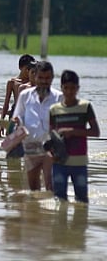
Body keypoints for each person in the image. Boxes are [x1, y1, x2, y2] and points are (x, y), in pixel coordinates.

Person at [48, 70, 100, 203]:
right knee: (59, 201)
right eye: (66, 88)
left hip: (79, 162)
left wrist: (72, 131)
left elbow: (95, 132)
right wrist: (50, 152)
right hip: (59, 162)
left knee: (82, 201)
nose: (69, 92)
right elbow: (50, 135)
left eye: (73, 88)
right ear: (61, 88)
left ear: (78, 88)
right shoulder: (54, 110)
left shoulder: (85, 107)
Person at [12, 61, 62, 191]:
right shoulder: (25, 95)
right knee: (33, 186)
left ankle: (51, 207)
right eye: (41, 78)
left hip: (51, 146)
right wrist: (17, 123)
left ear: (52, 78)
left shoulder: (59, 97)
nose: (44, 81)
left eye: (47, 78)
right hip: (31, 145)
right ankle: (35, 210)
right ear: (35, 77)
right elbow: (18, 117)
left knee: (50, 184)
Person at [0, 54, 36, 137]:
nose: (28, 72)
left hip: (29, 112)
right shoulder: (12, 82)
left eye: (31, 70)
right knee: (11, 138)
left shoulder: (34, 83)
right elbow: (6, 104)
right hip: (15, 112)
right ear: (20, 68)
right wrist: (1, 124)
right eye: (26, 69)